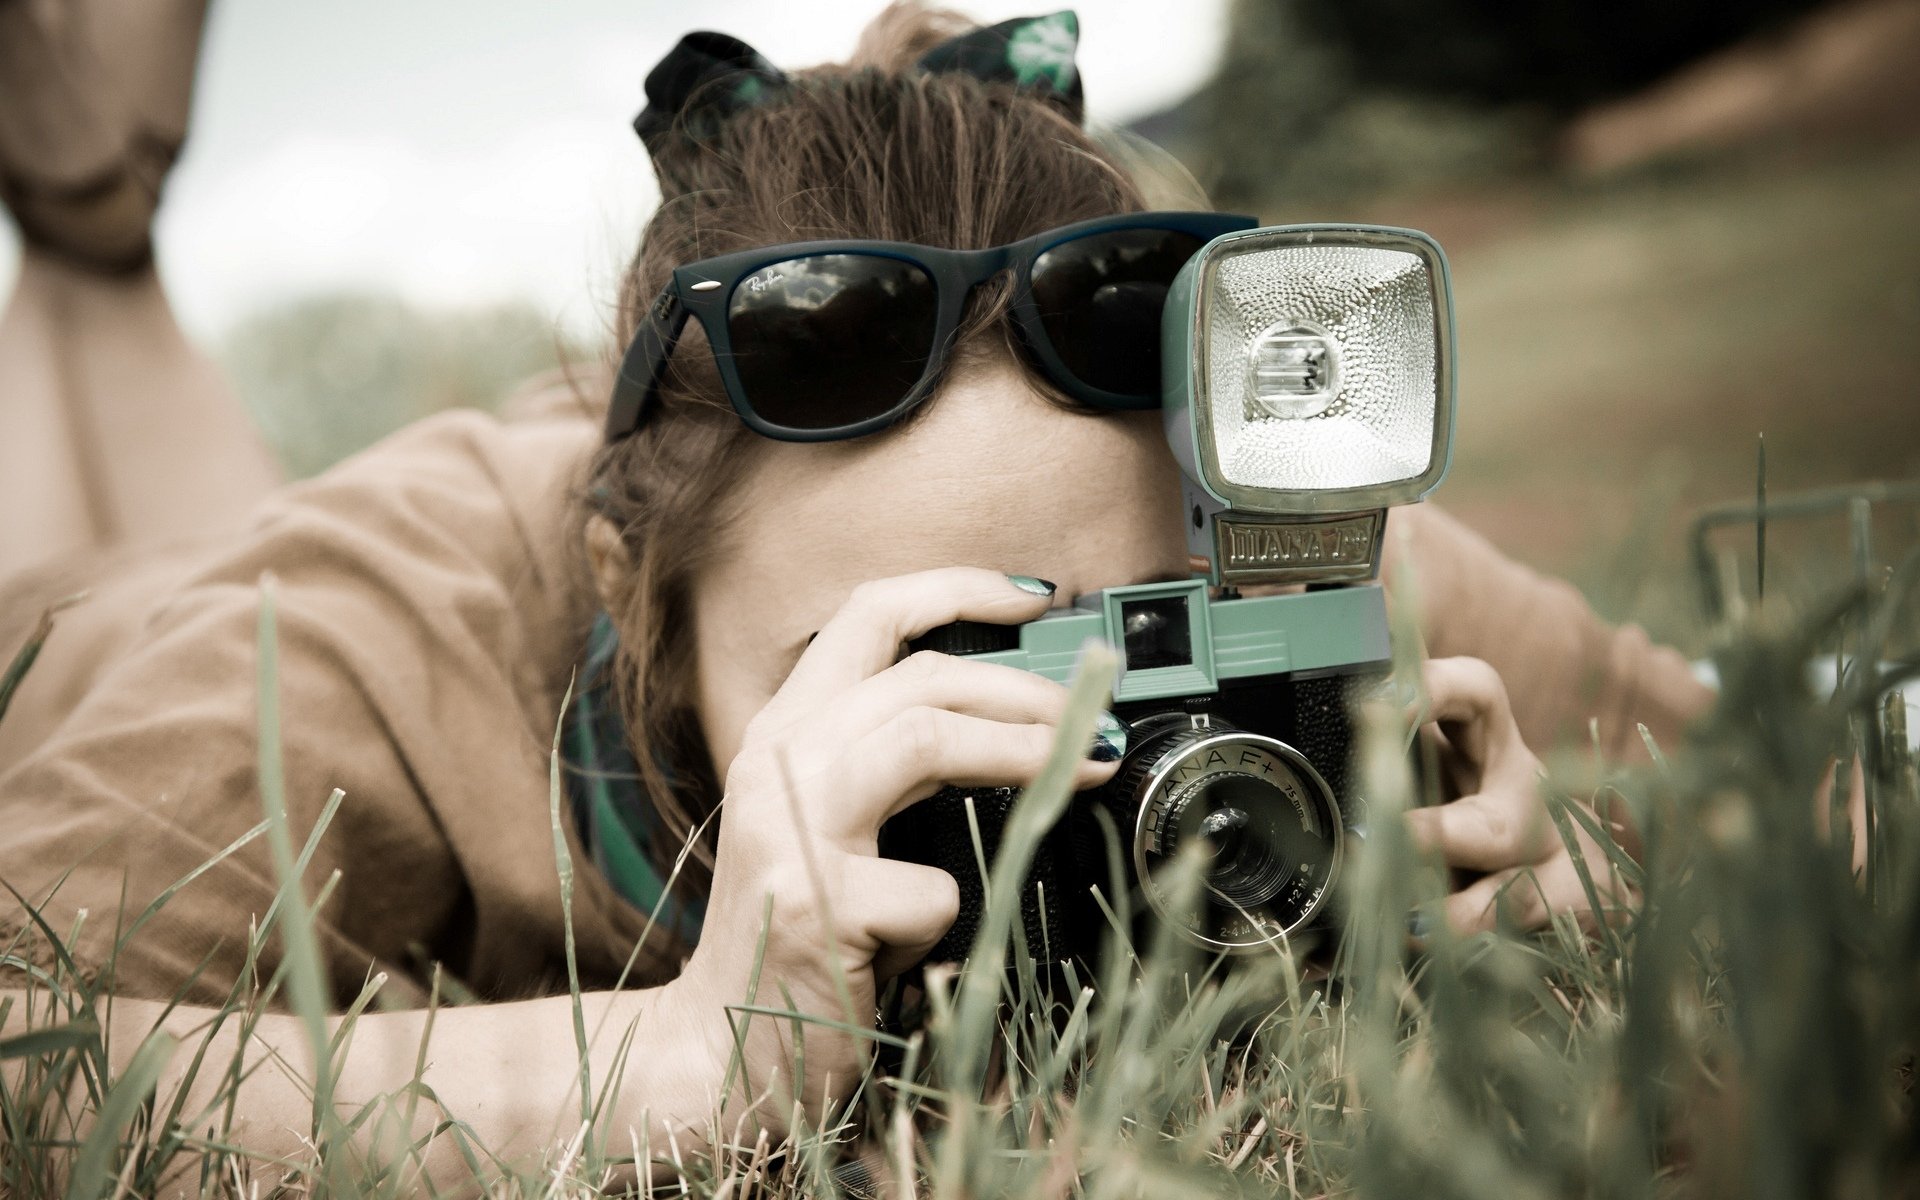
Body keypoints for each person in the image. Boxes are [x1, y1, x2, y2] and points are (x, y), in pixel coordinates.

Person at [0, 3, 1713, 1186]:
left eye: (1117, 645)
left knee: (99, 261)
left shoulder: (1300, 588)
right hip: (91, 622)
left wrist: (1602, 868)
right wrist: (685, 1060)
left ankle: (87, 216)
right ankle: (81, 214)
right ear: (630, 599)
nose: (1032, 751)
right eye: (921, 666)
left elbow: (1812, 756)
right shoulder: (375, 634)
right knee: (93, 352)